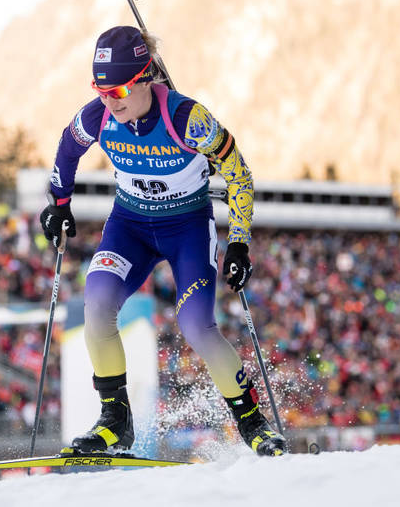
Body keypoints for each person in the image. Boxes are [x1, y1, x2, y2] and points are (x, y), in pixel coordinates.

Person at [39, 25, 286, 456]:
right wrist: (59, 203)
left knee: (196, 325)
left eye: (118, 91)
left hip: (186, 227)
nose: (109, 101)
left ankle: (254, 424)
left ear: (144, 78)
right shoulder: (98, 116)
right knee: (96, 304)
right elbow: (67, 147)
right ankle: (115, 421)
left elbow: (239, 175)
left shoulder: (188, 118)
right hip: (130, 226)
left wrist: (239, 243)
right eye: (100, 90)